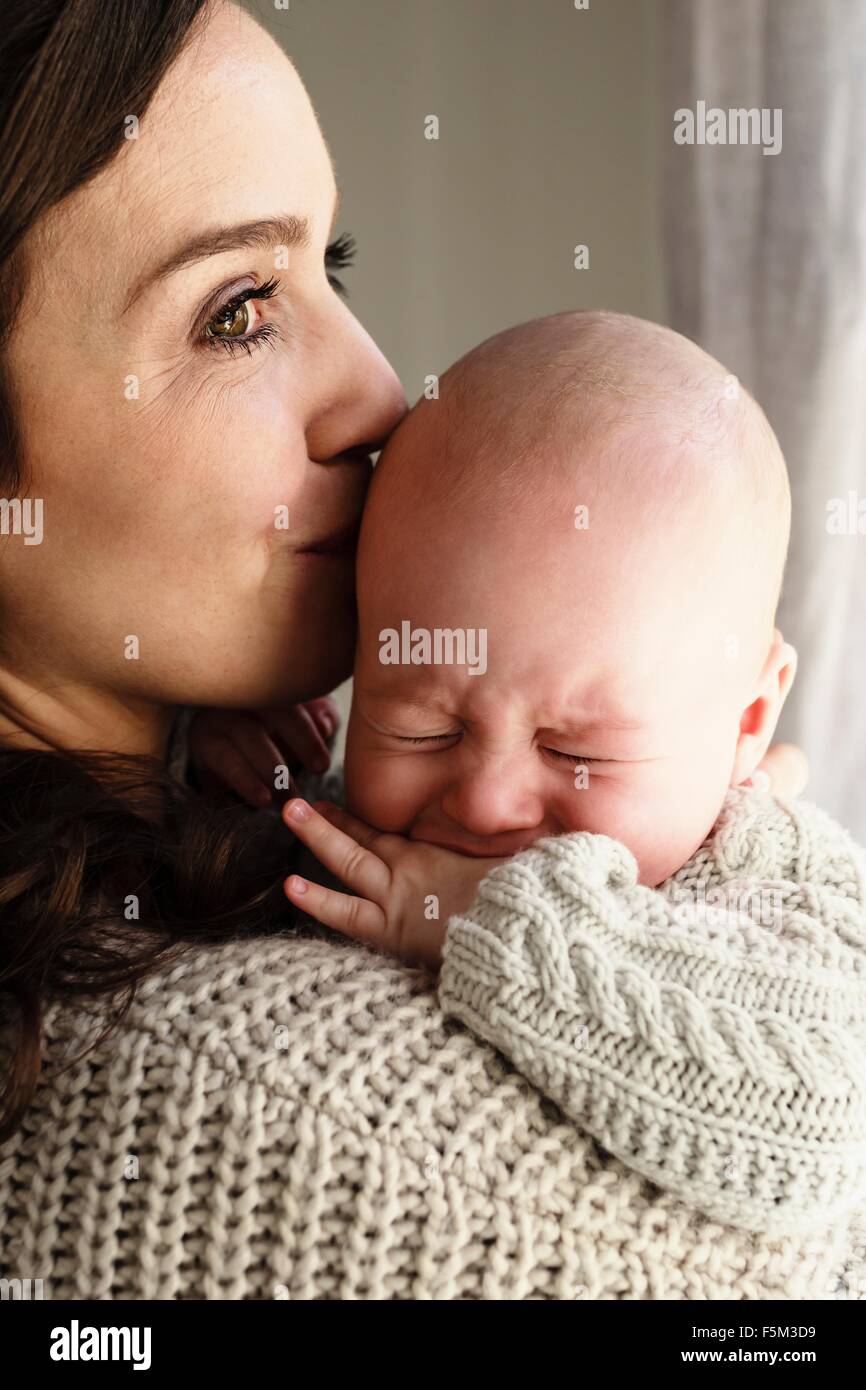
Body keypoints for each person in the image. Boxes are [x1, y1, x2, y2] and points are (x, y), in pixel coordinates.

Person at [0, 0, 849, 1300]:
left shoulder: (236, 815)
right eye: (236, 310)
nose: (384, 393)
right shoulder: (247, 1100)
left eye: (327, 268)